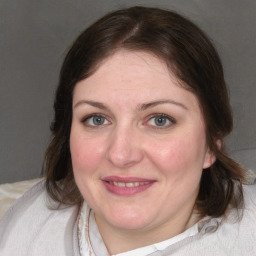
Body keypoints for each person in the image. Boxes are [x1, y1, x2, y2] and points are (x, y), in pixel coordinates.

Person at [0, 6, 255, 256]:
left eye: (160, 120)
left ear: (211, 142)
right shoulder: (23, 225)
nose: (121, 154)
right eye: (97, 119)